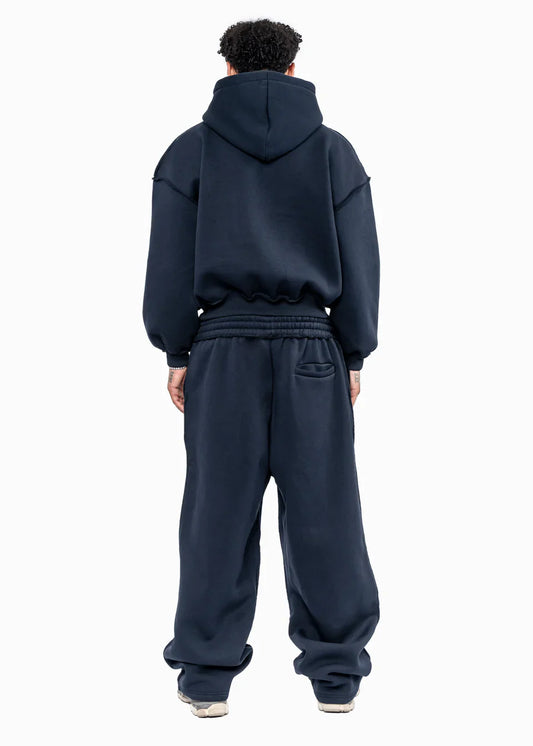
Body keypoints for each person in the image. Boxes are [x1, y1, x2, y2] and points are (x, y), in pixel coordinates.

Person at [143, 18, 380, 718]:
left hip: (222, 350)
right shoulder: (335, 152)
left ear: (226, 68)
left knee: (215, 515)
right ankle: (336, 677)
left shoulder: (189, 151)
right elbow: (361, 260)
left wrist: (177, 350)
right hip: (313, 350)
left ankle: (205, 679)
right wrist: (352, 351)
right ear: (293, 68)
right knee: (326, 513)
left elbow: (168, 262)